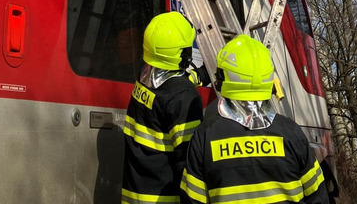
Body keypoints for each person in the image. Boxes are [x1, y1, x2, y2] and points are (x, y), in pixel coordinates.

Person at [179, 35, 328, 204]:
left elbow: (192, 200)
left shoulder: (205, 136)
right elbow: (318, 197)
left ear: (223, 78)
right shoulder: (292, 133)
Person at [122, 12, 204, 204]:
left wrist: (199, 76)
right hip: (163, 199)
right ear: (184, 54)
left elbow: (169, 88)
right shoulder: (183, 96)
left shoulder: (144, 76)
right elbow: (189, 162)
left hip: (133, 195)